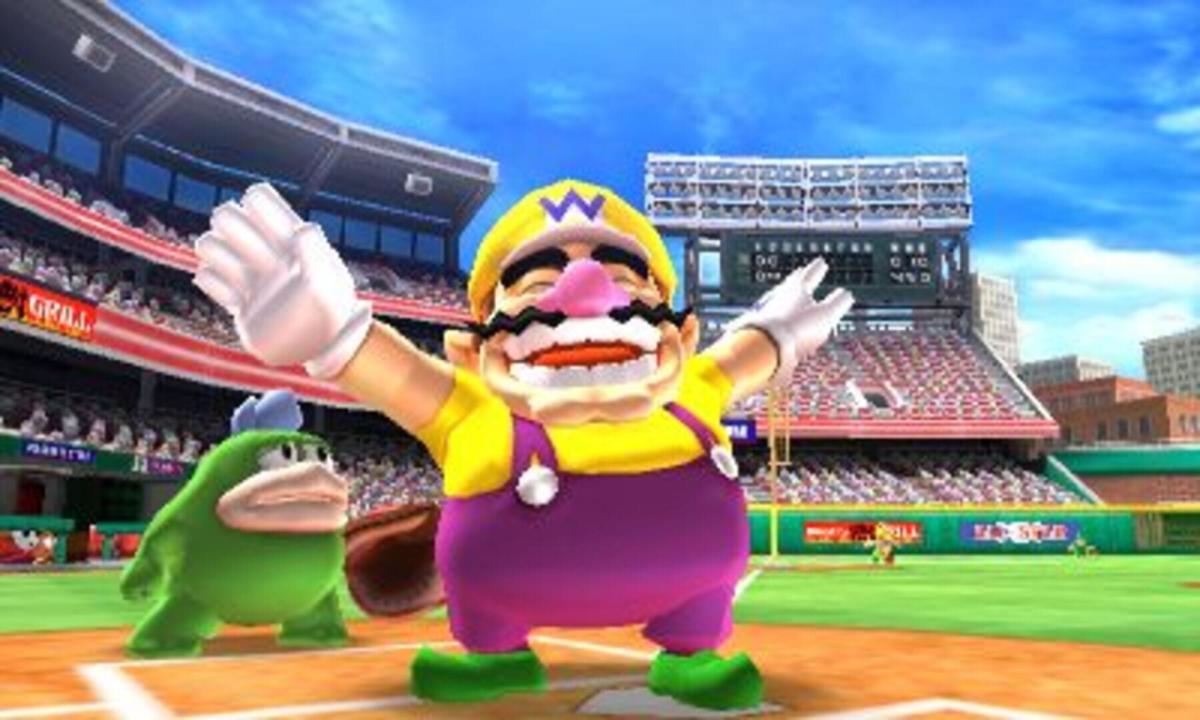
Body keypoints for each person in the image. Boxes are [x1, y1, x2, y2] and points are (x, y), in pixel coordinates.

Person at [192, 179, 853, 710]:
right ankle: (496, 655)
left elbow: (742, 357)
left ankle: (693, 653)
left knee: (697, 627)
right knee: (488, 610)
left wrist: (778, 332)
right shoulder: (470, 405)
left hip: (689, 591)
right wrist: (331, 333)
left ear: (681, 335)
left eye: (623, 279)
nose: (587, 294)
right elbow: (386, 370)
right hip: (502, 587)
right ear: (471, 349)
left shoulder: (691, 389)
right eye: (538, 285)